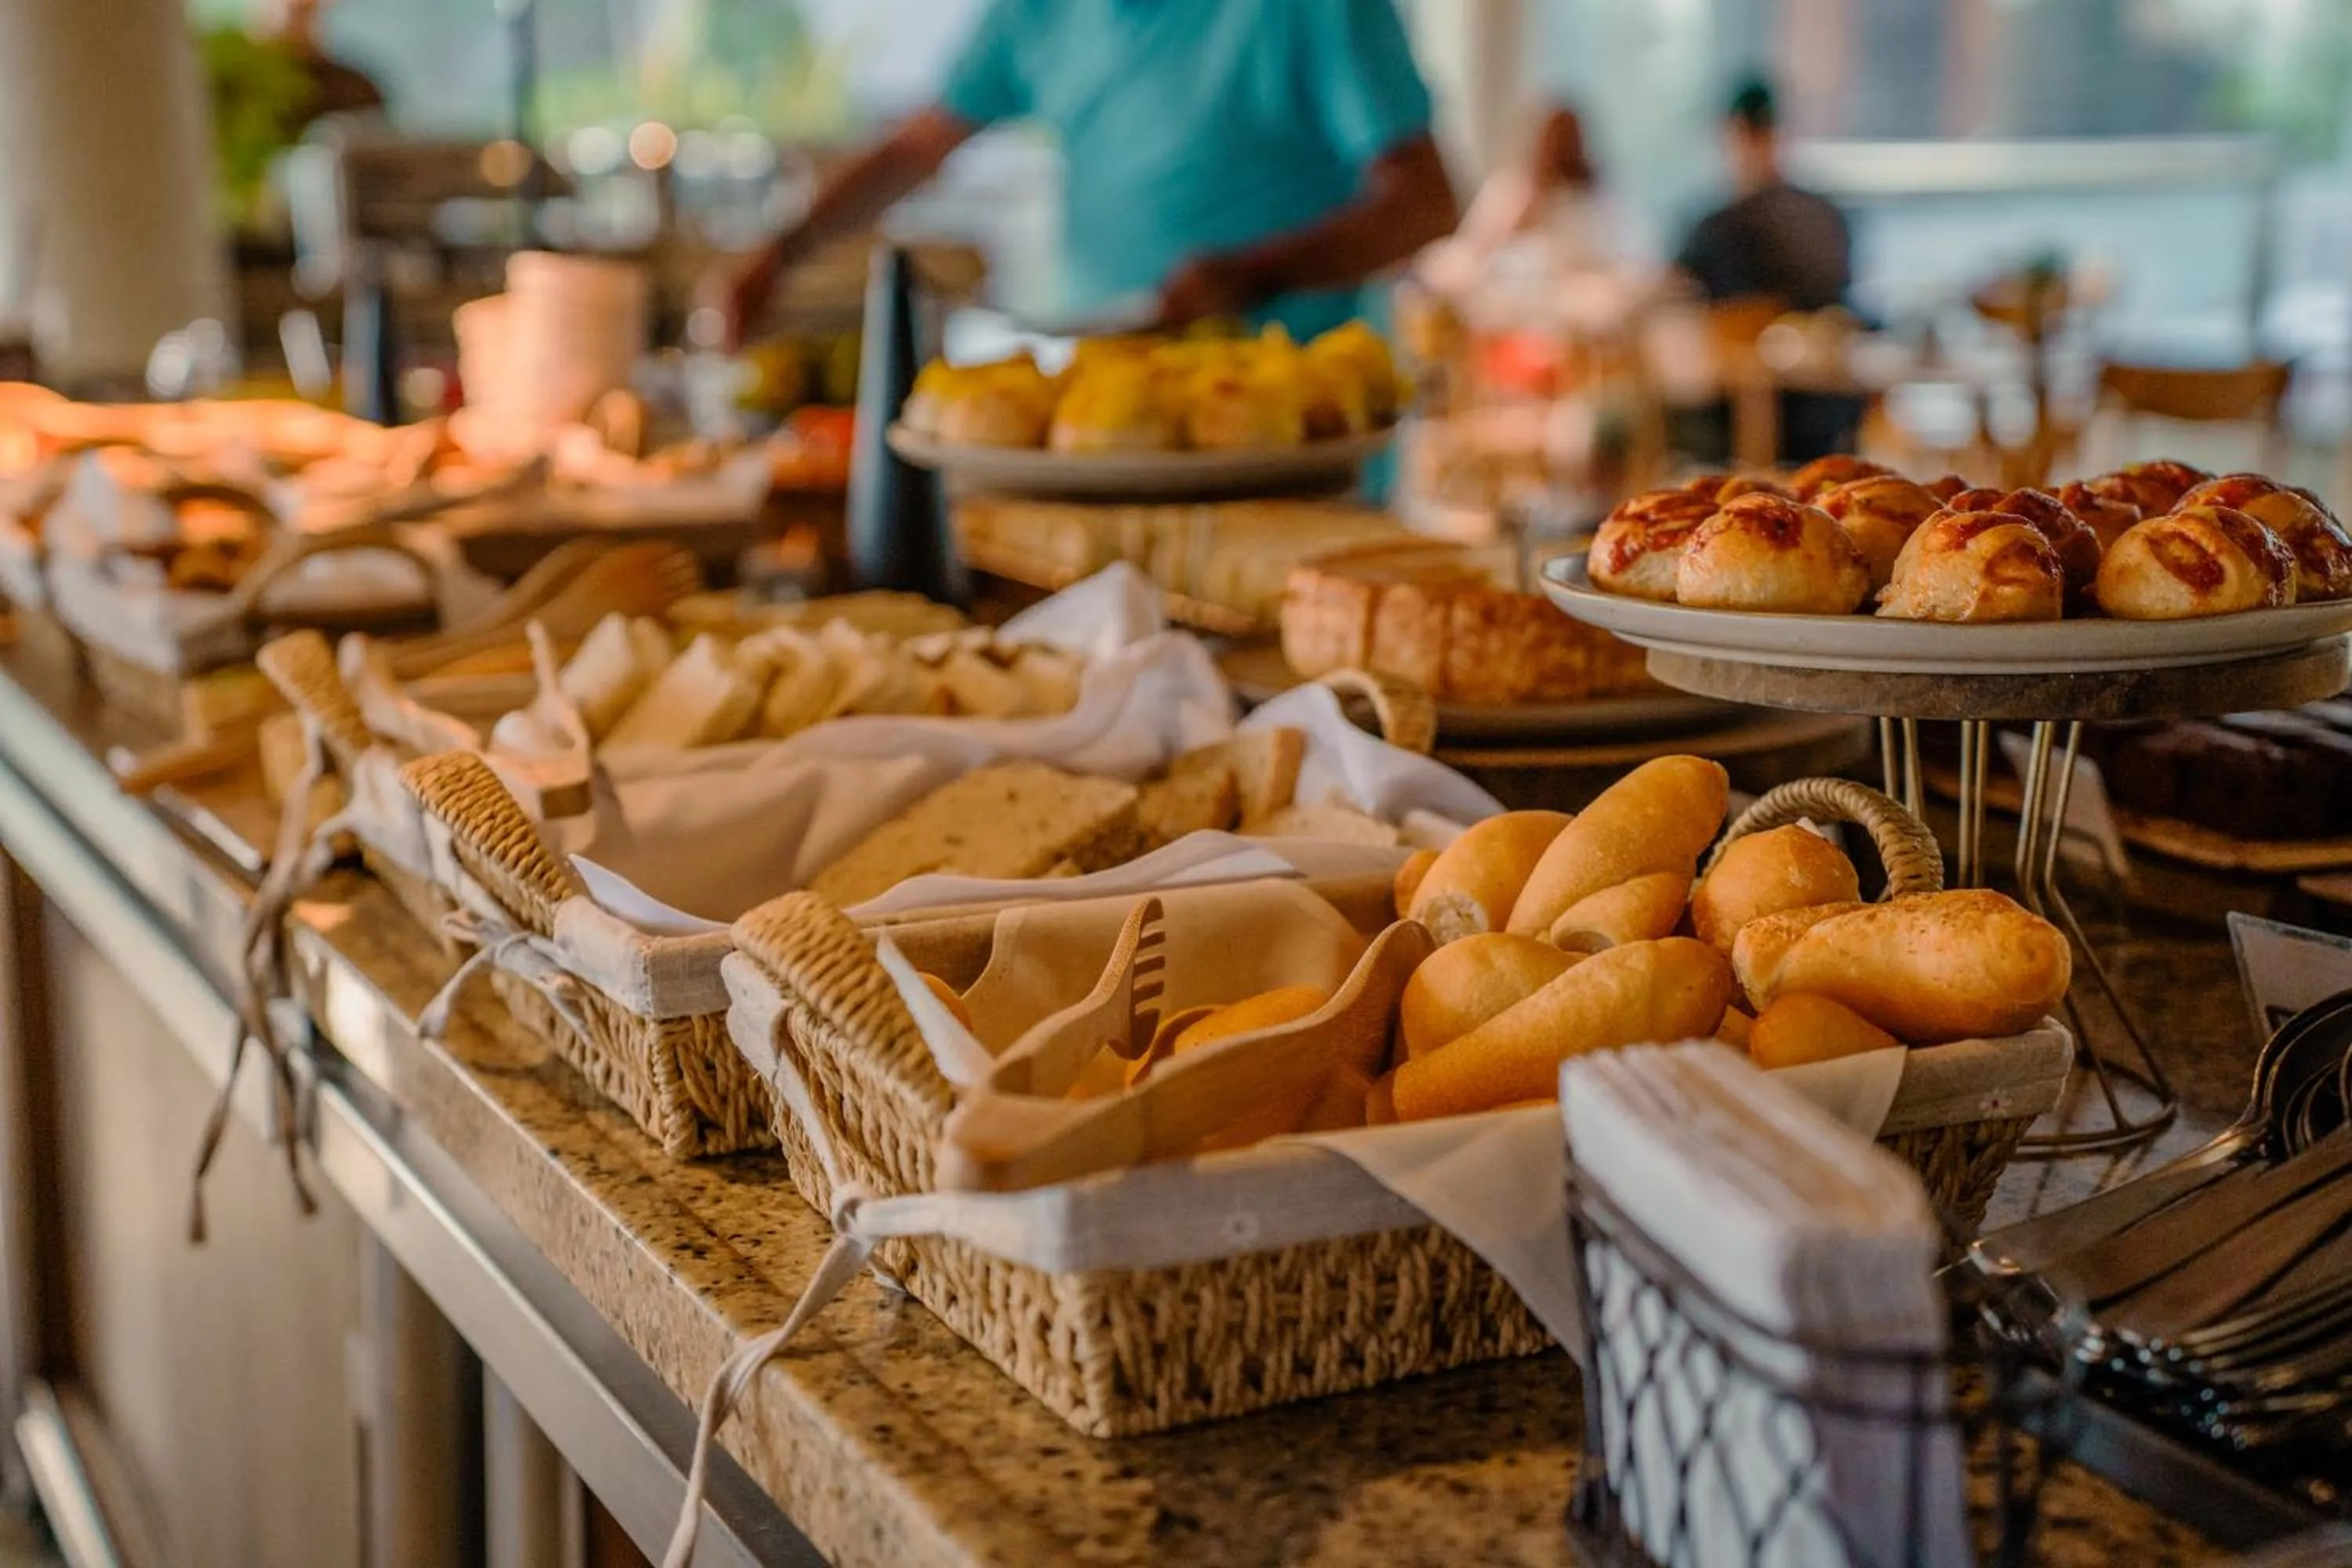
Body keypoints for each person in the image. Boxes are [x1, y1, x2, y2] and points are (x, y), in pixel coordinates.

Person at [709, 0, 1459, 349]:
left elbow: (1426, 203)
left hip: (1301, 422)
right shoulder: (1039, 14)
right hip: (1111, 405)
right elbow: (913, 150)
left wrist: (1258, 274)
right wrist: (780, 254)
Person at [1670, 78, 1860, 463]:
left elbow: (1672, 292)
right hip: (1836, 407)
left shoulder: (1719, 224)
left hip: (1740, 413)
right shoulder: (1827, 215)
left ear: (1734, 133)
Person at [1674, 78, 1849, 313]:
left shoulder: (1722, 228)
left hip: (1742, 345)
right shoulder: (1827, 214)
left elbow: (1674, 287)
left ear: (1735, 133)